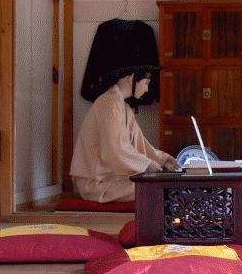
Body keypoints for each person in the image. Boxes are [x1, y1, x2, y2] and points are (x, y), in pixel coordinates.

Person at [70, 67, 180, 203]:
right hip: (97, 183)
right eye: (146, 83)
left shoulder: (124, 107)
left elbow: (140, 143)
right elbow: (113, 149)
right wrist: (146, 163)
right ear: (131, 78)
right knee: (157, 188)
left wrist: (164, 160)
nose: (147, 89)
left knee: (161, 185)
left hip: (112, 177)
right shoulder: (109, 104)